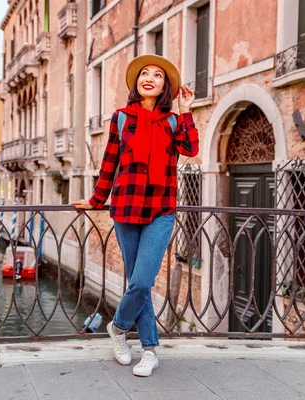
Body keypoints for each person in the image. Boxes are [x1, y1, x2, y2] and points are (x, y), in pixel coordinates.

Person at [73, 54, 199, 377]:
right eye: (145, 73)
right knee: (137, 285)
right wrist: (95, 199)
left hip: (161, 210)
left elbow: (191, 148)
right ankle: (150, 350)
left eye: (158, 75)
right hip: (126, 208)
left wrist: (186, 112)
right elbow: (109, 163)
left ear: (164, 87)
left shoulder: (172, 122)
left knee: (142, 280)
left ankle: (117, 328)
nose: (150, 78)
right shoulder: (120, 119)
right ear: (136, 83)